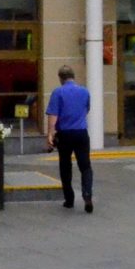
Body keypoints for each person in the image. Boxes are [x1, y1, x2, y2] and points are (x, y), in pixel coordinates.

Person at [44, 64, 95, 212]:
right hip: (81, 132)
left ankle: (69, 199)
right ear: (73, 76)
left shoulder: (58, 92)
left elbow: (53, 116)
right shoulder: (85, 91)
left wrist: (50, 135)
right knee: (85, 165)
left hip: (65, 134)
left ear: (61, 78)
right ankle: (87, 194)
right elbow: (86, 109)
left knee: (65, 165)